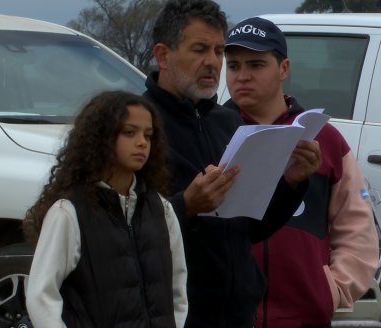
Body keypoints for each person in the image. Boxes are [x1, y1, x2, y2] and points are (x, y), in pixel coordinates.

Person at [143, 1, 322, 327]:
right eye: (199, 49)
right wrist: (186, 207)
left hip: (238, 314)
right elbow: (121, 231)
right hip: (174, 315)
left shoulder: (228, 122)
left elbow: (248, 228)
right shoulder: (138, 125)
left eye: (218, 50)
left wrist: (291, 185)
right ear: (163, 55)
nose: (211, 62)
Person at [223, 16, 380, 328]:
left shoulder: (324, 138)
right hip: (227, 317)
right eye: (234, 65)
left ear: (284, 69)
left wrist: (331, 289)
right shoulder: (213, 133)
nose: (242, 76)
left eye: (256, 65)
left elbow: (357, 228)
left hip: (305, 316)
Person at [23, 90, 188, 327]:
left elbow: (177, 286)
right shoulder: (69, 212)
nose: (142, 142)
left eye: (148, 135)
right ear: (102, 137)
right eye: (129, 133)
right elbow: (42, 295)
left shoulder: (162, 210)